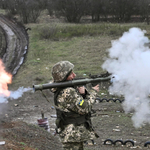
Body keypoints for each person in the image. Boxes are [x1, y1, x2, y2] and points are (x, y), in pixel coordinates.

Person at [51, 61, 99, 150]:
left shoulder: (60, 88)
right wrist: (93, 92)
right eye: (71, 74)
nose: (74, 75)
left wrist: (84, 94)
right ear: (63, 76)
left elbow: (76, 104)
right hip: (72, 135)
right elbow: (85, 108)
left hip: (72, 134)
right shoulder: (68, 92)